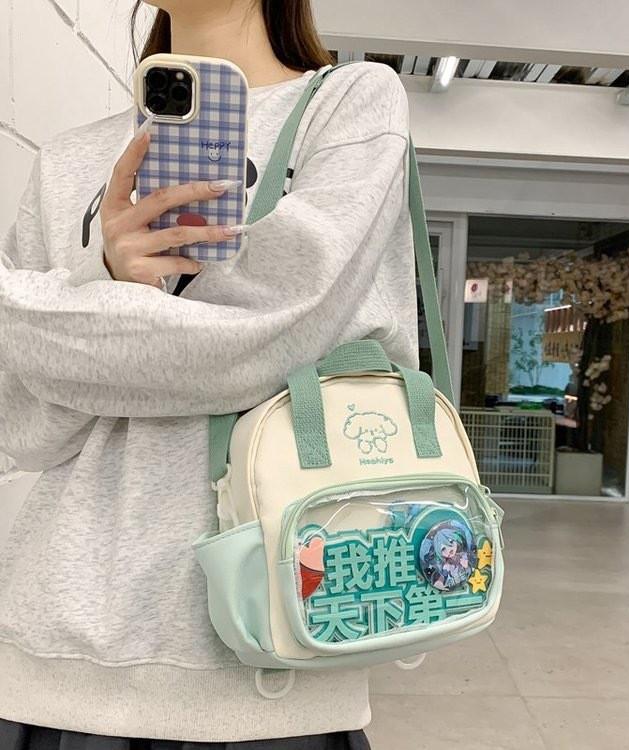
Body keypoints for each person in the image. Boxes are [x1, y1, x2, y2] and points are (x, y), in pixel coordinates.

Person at [0, 0, 419, 747]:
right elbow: (18, 420)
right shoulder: (66, 161)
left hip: (271, 664)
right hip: (54, 660)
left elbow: (272, 336)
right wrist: (105, 276)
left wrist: (48, 315)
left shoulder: (350, 105)